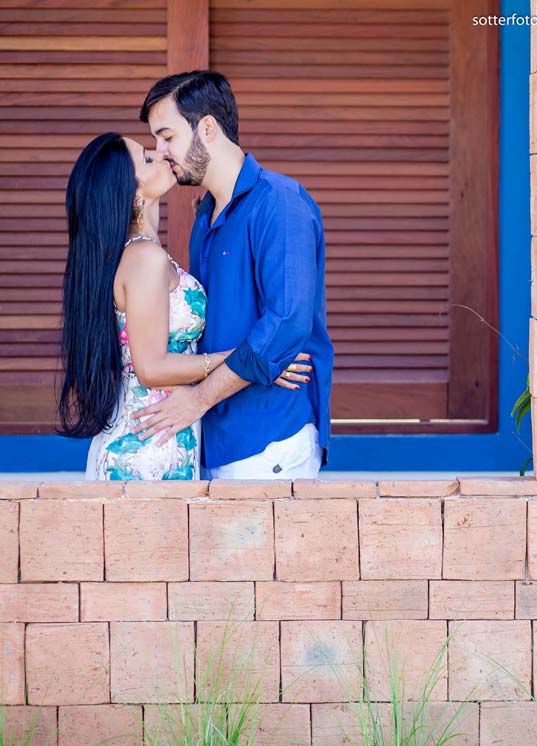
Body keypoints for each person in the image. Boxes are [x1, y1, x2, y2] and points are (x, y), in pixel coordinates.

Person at [58, 133, 309, 480]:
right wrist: (254, 360)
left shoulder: (140, 254)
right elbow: (151, 368)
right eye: (147, 159)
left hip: (163, 435)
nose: (161, 155)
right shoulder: (145, 258)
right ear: (131, 195)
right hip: (145, 451)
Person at [132, 70, 333, 479]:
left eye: (167, 136)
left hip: (269, 439)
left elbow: (285, 325)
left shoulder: (279, 203)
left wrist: (198, 399)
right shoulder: (204, 217)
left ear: (207, 128)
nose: (161, 150)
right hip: (212, 441)